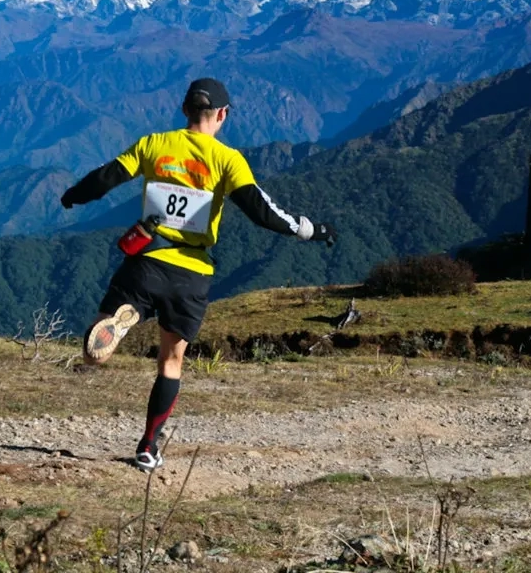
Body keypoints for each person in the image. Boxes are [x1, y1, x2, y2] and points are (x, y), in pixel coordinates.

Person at [60, 78, 336, 471]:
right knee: (171, 361)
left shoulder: (153, 144)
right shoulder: (227, 159)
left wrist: (72, 194)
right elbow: (262, 212)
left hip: (147, 259)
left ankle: (118, 320)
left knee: (115, 314)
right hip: (191, 273)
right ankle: (148, 446)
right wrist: (311, 229)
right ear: (222, 115)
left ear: (183, 110)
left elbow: (105, 178)